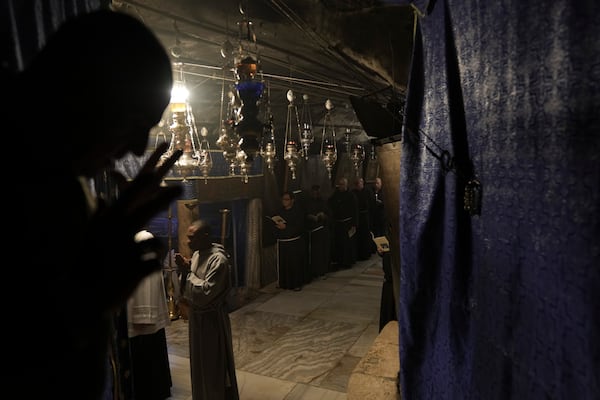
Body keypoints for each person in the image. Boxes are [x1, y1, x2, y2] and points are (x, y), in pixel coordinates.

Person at [7, 10, 183, 400]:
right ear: (83, 92)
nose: (138, 148)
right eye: (135, 122)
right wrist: (89, 297)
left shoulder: (65, 183)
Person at [175, 220, 239, 400]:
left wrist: (187, 274)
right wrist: (185, 268)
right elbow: (191, 286)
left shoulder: (218, 260)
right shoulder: (197, 254)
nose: (188, 242)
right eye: (188, 238)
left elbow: (205, 293)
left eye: (192, 238)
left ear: (205, 237)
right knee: (199, 366)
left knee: (213, 367)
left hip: (212, 321)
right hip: (197, 320)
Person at [126, 230, 173, 400]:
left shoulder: (142, 239)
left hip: (143, 317)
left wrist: (143, 314)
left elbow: (147, 280)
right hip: (136, 315)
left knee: (147, 365)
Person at [272, 191, 307, 290]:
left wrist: (286, 227)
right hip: (282, 241)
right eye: (283, 199)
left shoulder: (298, 211)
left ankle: (296, 284)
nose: (284, 202)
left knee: (294, 264)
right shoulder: (280, 211)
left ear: (292, 200)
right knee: (283, 264)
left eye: (287, 199)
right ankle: (283, 282)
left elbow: (299, 226)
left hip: (293, 241)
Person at [327, 177, 359, 269]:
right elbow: (330, 202)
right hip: (338, 224)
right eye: (339, 184)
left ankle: (348, 261)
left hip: (348, 223)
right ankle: (339, 261)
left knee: (347, 244)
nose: (341, 186)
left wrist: (354, 224)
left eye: (342, 184)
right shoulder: (336, 195)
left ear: (346, 185)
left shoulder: (351, 195)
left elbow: (355, 210)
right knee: (339, 243)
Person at [305, 184, 332, 280]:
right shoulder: (307, 203)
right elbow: (304, 214)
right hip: (312, 232)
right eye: (314, 192)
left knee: (322, 253)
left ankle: (322, 271)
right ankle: (313, 272)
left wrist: (323, 216)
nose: (315, 194)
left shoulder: (324, 202)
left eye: (317, 192)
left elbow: (329, 215)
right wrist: (310, 217)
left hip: (322, 231)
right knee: (313, 254)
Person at [352, 177, 374, 260]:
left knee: (365, 236)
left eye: (359, 183)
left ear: (362, 183)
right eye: (357, 183)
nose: (358, 185)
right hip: (357, 216)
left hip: (365, 217)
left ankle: (366, 253)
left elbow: (371, 204)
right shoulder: (353, 192)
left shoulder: (367, 192)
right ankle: (358, 254)